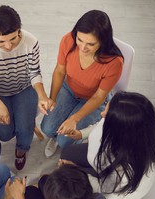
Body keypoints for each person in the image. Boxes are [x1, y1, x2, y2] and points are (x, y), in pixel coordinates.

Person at [0, 5, 54, 170]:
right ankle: (17, 127)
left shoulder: (31, 42)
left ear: (19, 30)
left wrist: (41, 94)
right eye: (1, 41)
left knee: (25, 128)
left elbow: (34, 72)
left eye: (13, 38)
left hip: (24, 88)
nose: (9, 46)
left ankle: (21, 150)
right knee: (3, 134)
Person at [41, 10, 124, 158]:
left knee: (64, 140)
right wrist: (52, 98)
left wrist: (74, 119)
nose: (83, 47)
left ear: (103, 41)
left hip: (94, 98)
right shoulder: (68, 40)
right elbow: (60, 71)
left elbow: (99, 96)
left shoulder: (114, 62)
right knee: (47, 128)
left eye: (90, 44)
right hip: (69, 89)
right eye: (80, 40)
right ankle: (56, 135)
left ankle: (78, 139)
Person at [60, 92, 155, 199]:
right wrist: (82, 134)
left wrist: (76, 170)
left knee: (70, 180)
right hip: (103, 157)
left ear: (119, 128)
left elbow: (102, 189)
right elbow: (101, 125)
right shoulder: (129, 128)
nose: (102, 114)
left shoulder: (125, 172)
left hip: (113, 190)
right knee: (66, 153)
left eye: (107, 114)